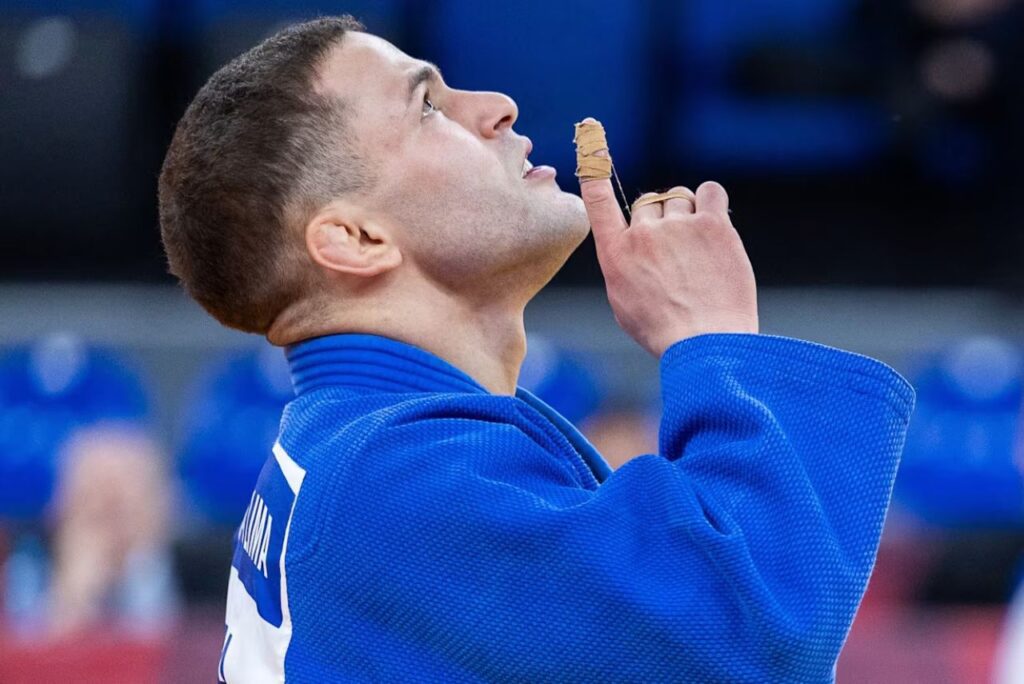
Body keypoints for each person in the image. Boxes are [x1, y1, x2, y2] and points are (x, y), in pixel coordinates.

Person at [158, 16, 914, 683]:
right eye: (428, 106)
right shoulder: (397, 477)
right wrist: (710, 338)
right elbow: (754, 644)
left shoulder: (364, 450)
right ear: (356, 240)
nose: (495, 107)